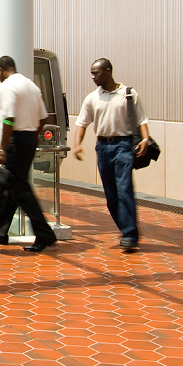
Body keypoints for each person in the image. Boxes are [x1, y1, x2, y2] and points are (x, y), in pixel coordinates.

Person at [73, 58, 151, 252]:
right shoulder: (92, 98)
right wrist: (77, 145)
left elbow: (141, 119)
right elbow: (82, 124)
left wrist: (145, 139)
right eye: (92, 73)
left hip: (123, 146)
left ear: (108, 71)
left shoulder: (128, 94)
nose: (93, 77)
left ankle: (130, 235)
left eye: (96, 73)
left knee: (124, 189)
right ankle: (126, 230)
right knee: (111, 196)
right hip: (103, 147)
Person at [0, 56, 57, 253]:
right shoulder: (31, 85)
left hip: (15, 140)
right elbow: (44, 117)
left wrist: (2, 149)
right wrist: (32, 134)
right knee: (13, 186)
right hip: (30, 138)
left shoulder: (7, 87)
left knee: (21, 189)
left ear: (0, 70)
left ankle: (44, 233)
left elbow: (8, 119)